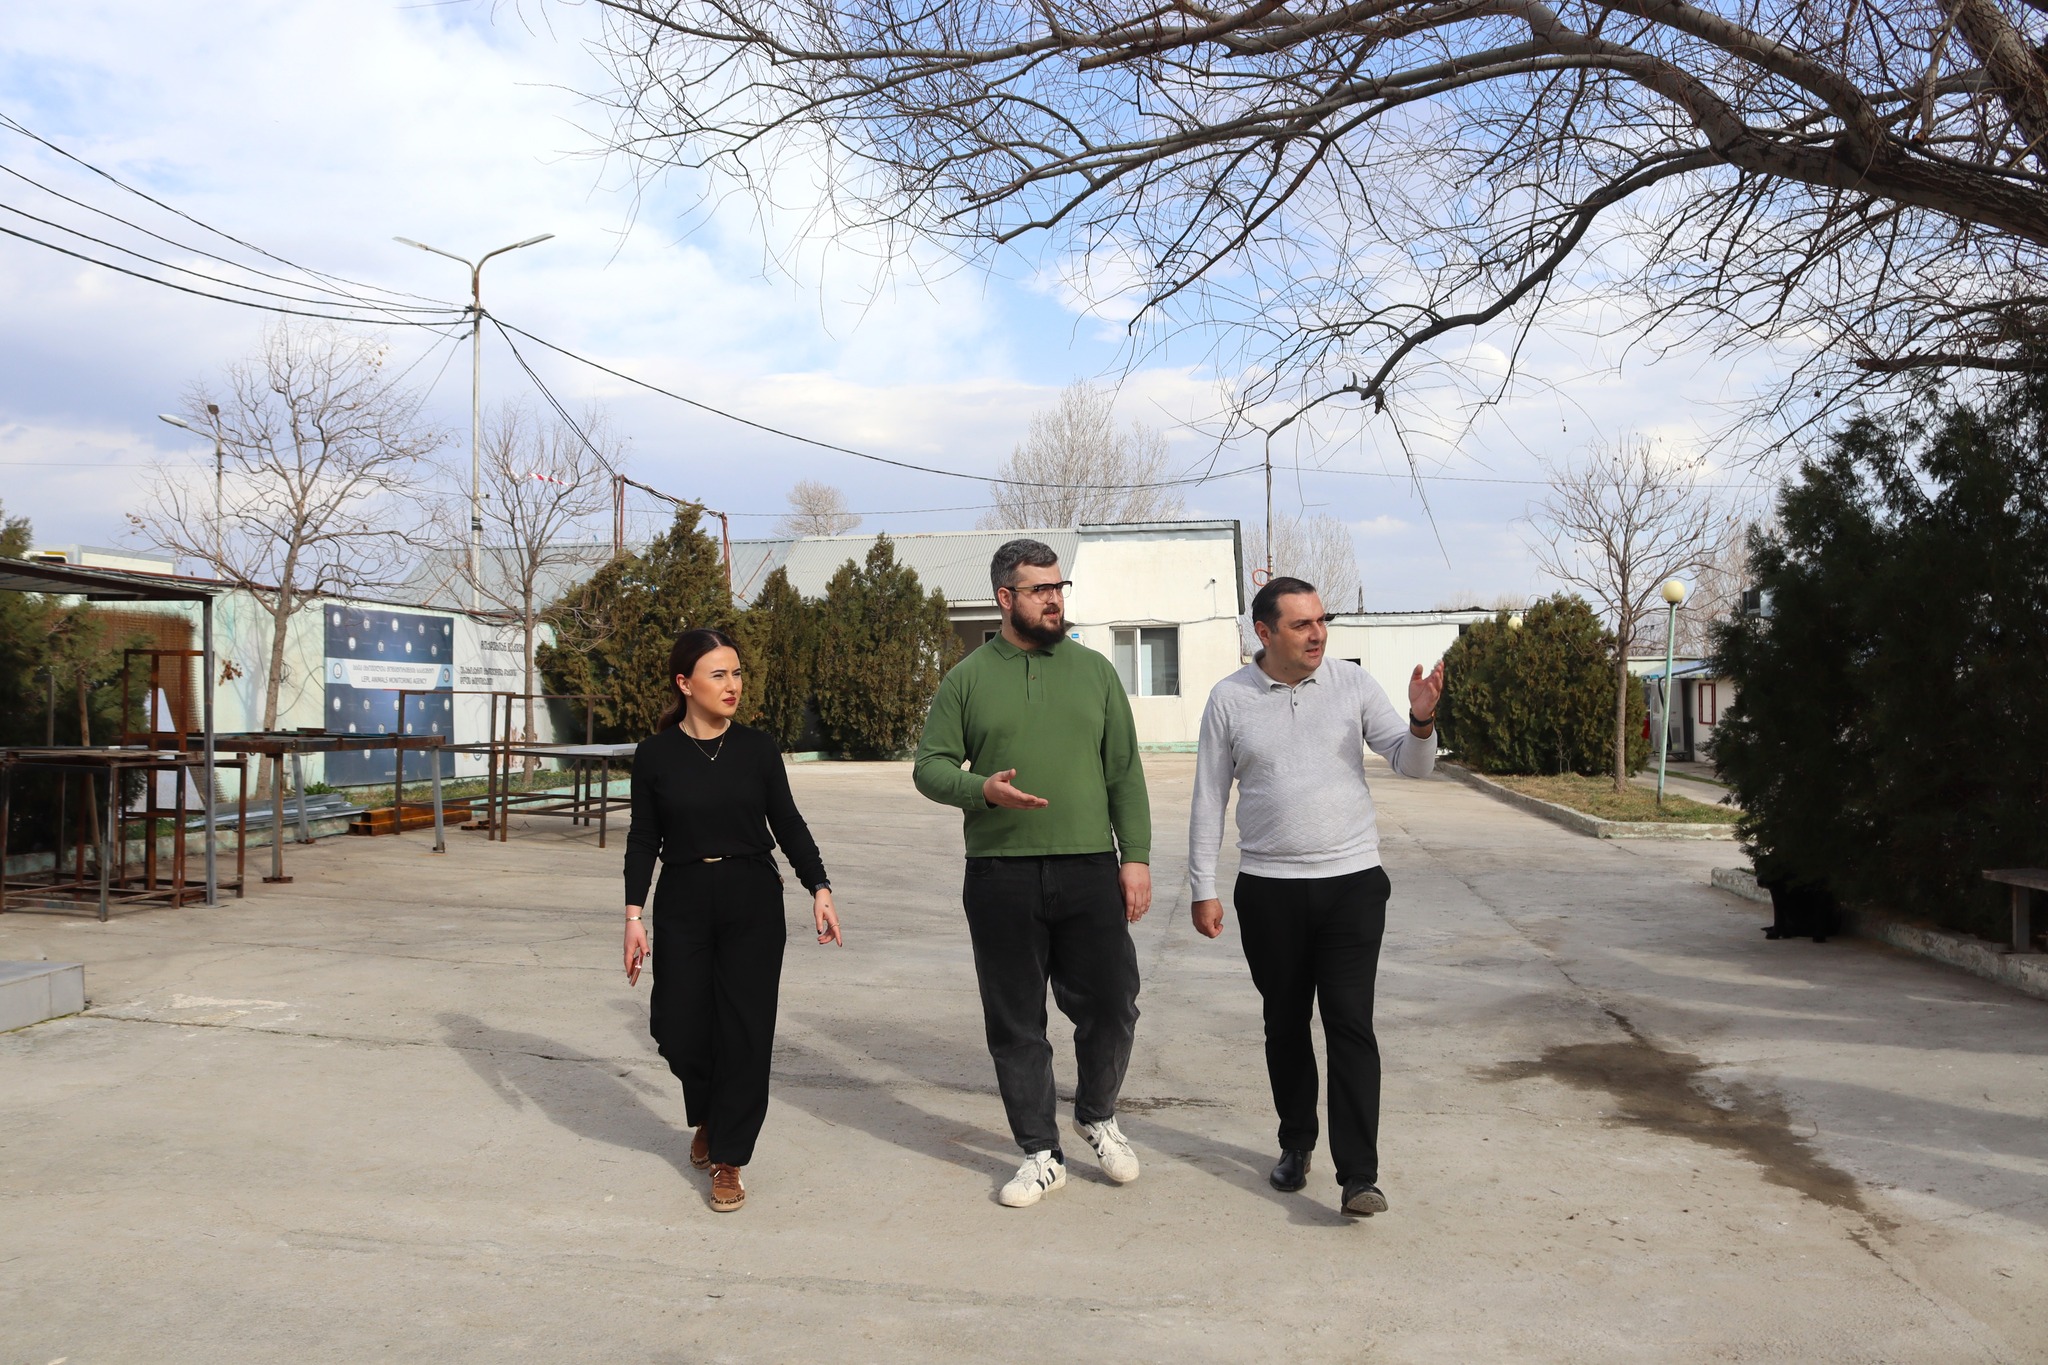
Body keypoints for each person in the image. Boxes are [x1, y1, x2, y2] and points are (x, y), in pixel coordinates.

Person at [1186, 576, 1444, 1218]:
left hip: (1352, 885)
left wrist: (1421, 720)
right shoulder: (1229, 699)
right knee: (1285, 1024)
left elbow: (1413, 764)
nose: (1318, 634)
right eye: (1301, 624)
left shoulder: (1352, 684)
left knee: (1351, 1025)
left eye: (1322, 621)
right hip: (1268, 890)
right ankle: (1296, 1142)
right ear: (1264, 632)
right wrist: (1202, 887)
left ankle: (1359, 1176)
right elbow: (1209, 797)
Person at [913, 538, 1153, 1208]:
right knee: (1015, 1019)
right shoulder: (966, 679)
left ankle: (1097, 1114)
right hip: (999, 874)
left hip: (1089, 866)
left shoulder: (1095, 672)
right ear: (1005, 598)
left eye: (1058, 587)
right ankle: (1040, 1153)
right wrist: (981, 790)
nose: (1054, 599)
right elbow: (929, 766)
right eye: (1040, 589)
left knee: (1113, 1003)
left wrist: (1134, 857)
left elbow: (1124, 771)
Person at [623, 627, 842, 1213]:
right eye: (718, 674)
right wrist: (633, 913)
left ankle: (729, 1156)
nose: (733, 685)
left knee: (746, 1030)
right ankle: (710, 1114)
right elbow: (643, 837)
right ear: (684, 683)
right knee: (677, 1026)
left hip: (752, 897)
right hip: (684, 897)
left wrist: (818, 886)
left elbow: (787, 822)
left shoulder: (757, 749)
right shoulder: (655, 755)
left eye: (737, 673)